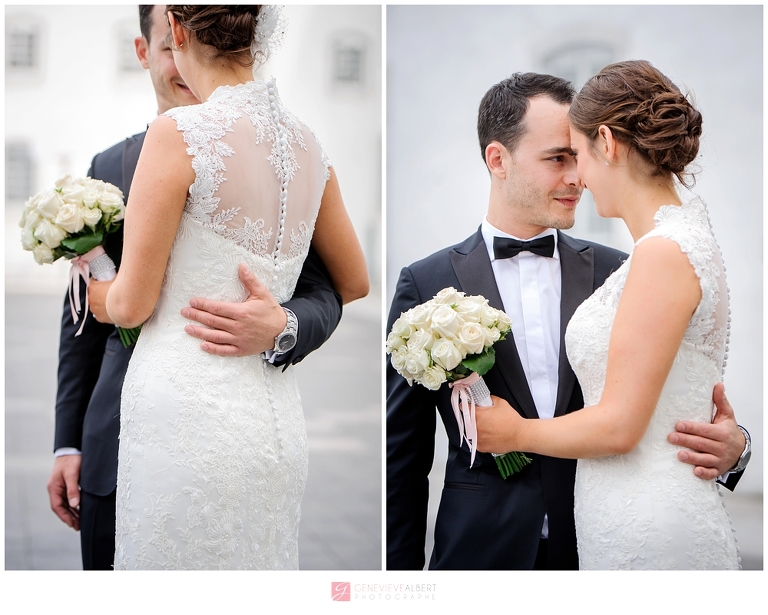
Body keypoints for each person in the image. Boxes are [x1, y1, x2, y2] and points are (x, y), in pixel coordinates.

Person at [386, 71, 749, 570]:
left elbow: (665, 401)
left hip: (596, 543)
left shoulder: (623, 269)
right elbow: (400, 458)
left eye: (578, 156)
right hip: (479, 551)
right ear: (498, 160)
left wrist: (738, 448)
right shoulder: (425, 283)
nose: (576, 176)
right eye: (558, 157)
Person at [47, 4, 351, 570]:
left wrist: (96, 288)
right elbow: (357, 278)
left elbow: (130, 306)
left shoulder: (176, 136)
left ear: (181, 33)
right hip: (264, 421)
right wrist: (68, 442)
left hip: (176, 416)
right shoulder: (306, 143)